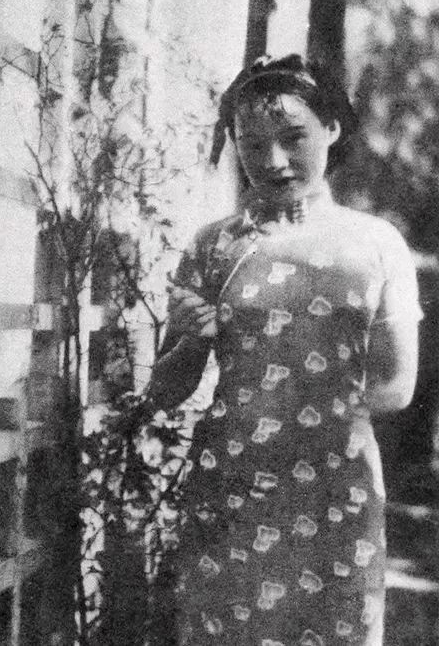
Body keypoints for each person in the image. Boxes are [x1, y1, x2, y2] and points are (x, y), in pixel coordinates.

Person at [146, 54, 421, 645]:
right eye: (251, 144)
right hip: (234, 484)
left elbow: (398, 387)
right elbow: (165, 391)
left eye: (293, 137)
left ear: (332, 128)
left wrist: (312, 425)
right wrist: (189, 341)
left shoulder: (376, 244)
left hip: (334, 488)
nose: (272, 161)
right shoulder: (214, 246)